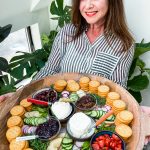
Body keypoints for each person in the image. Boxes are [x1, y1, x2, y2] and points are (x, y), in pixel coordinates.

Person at [33, 0, 134, 89]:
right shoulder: (67, 32)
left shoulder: (125, 45)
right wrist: (26, 93)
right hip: (60, 105)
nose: (88, 6)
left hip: (97, 109)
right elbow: (49, 70)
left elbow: (118, 89)